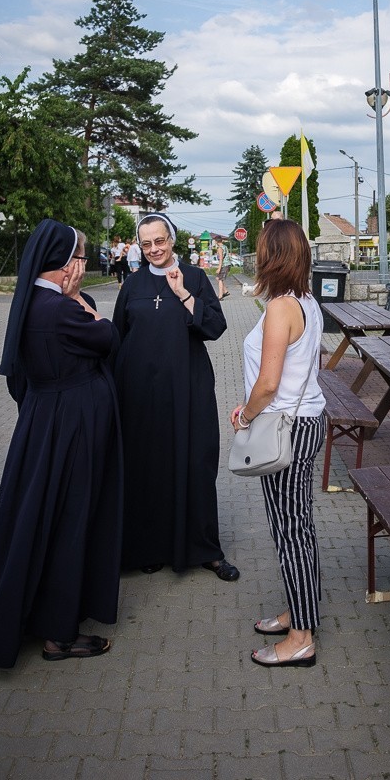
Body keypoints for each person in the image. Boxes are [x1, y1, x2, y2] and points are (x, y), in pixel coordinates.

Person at [0, 219, 122, 667]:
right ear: (61, 264)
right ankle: (60, 635)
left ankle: (46, 615)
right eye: (78, 257)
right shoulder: (59, 308)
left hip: (45, 419)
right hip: (71, 425)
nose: (82, 265)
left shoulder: (35, 301)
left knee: (45, 517)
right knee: (70, 521)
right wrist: (79, 299)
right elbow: (107, 336)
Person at [113, 212, 239, 581]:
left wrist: (183, 293)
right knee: (148, 469)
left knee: (196, 466)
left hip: (188, 391)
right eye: (147, 243)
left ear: (173, 240)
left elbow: (215, 327)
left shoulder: (197, 278)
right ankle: (148, 548)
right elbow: (118, 339)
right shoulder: (132, 285)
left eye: (160, 241)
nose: (154, 249)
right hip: (140, 395)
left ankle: (205, 549)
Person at [230, 219, 325, 668]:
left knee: (292, 532)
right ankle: (299, 612)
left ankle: (302, 637)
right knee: (296, 527)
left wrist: (246, 414)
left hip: (285, 427)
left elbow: (268, 384)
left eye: (263, 252)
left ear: (273, 257)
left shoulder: (282, 308)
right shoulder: (305, 300)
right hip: (303, 420)